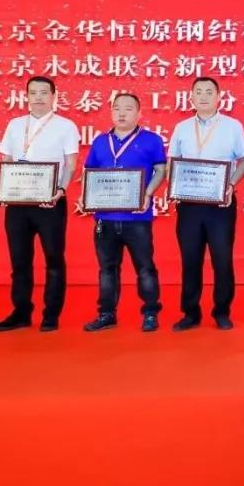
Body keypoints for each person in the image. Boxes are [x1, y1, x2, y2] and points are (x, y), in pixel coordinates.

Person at [0, 76, 80, 332]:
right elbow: (7, 160)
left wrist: (61, 190)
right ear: (27, 96)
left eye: (44, 92)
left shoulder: (65, 126)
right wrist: (2, 188)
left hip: (50, 203)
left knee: (53, 259)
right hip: (18, 203)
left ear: (54, 96)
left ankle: (51, 314)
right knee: (19, 261)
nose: (39, 97)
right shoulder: (15, 125)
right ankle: (21, 312)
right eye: (33, 92)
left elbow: (71, 164)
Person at [78, 93, 167, 333]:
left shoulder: (151, 140)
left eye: (128, 108)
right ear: (111, 112)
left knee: (145, 268)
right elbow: (89, 173)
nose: (122, 113)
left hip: (137, 218)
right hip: (105, 218)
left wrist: (147, 193)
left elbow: (161, 170)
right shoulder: (100, 141)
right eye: (117, 108)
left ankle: (150, 313)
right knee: (107, 269)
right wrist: (86, 195)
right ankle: (106, 314)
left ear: (139, 113)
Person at [168, 77, 244, 331]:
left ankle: (222, 311)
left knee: (222, 259)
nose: (203, 96)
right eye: (198, 92)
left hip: (221, 205)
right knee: (190, 259)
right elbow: (172, 162)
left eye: (209, 92)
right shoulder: (181, 127)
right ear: (191, 97)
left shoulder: (233, 126)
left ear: (218, 97)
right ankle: (190, 313)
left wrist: (230, 185)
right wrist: (175, 186)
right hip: (189, 205)